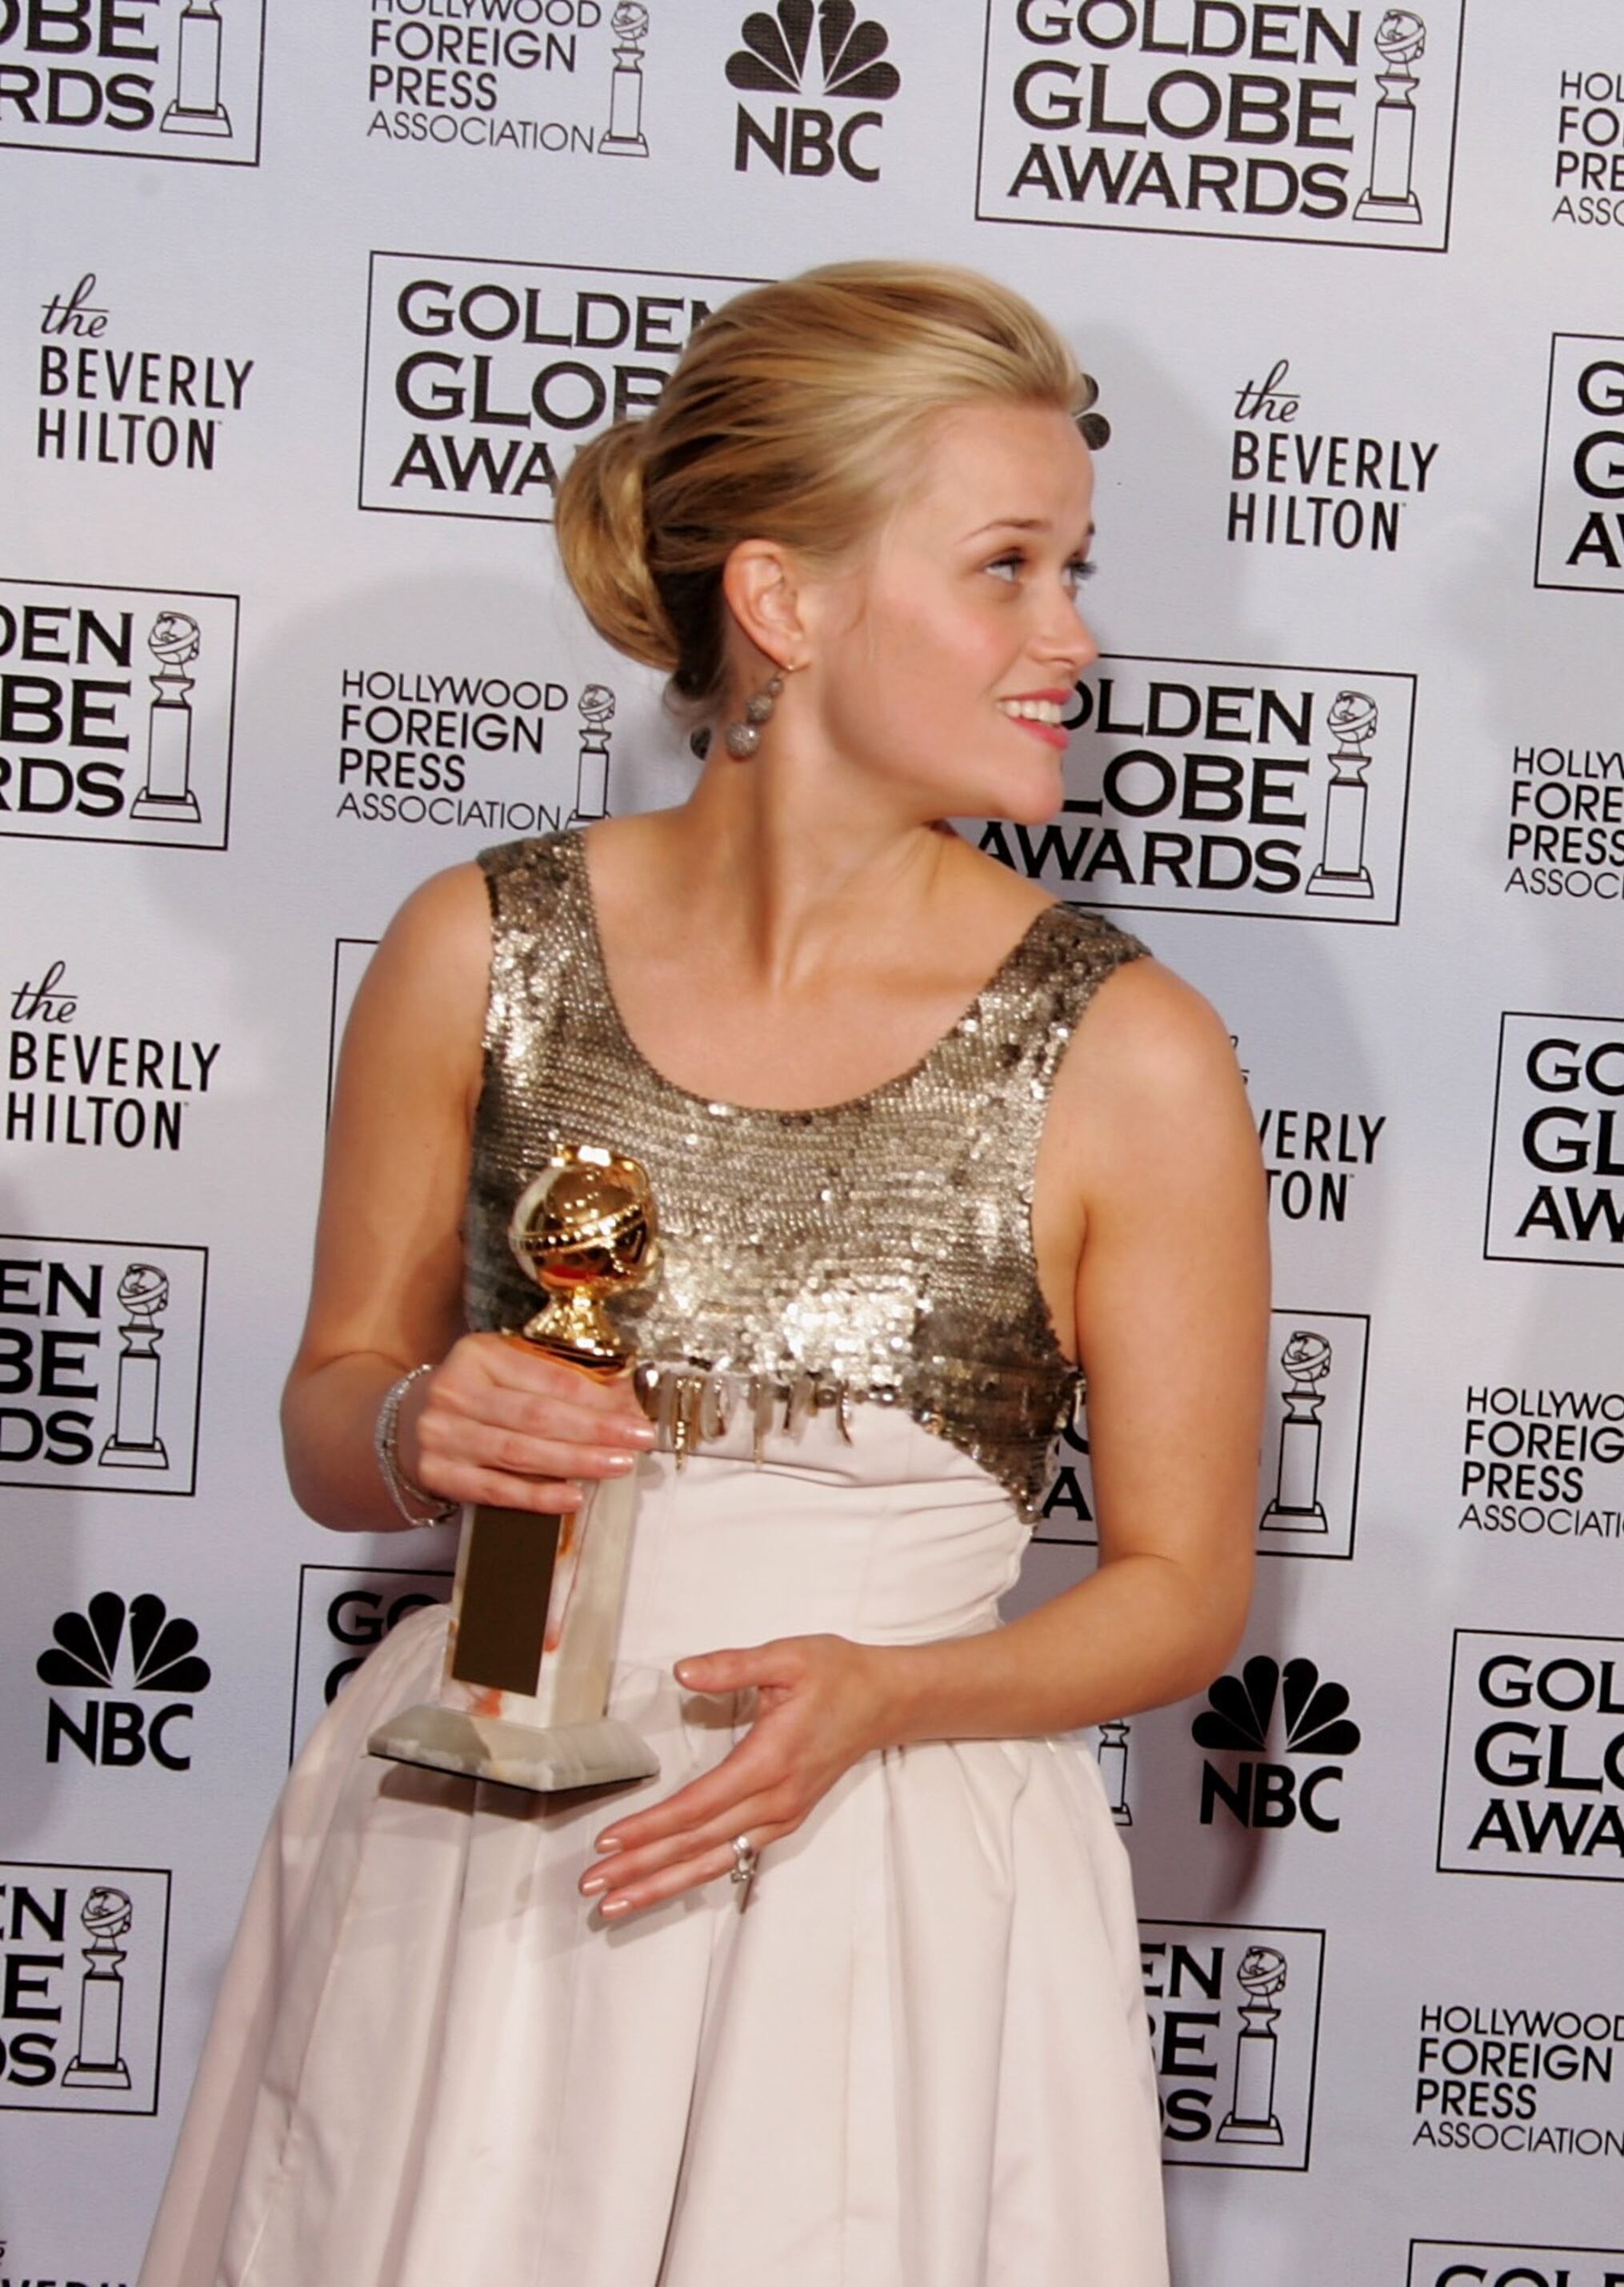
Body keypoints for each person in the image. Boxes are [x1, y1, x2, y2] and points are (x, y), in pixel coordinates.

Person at [139, 263, 1269, 2287]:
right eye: (1007, 569)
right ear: (786, 599)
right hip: (478, 1836)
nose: (1073, 640)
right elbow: (335, 1416)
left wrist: (888, 1700)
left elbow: (1186, 1594)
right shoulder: (474, 947)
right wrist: (419, 1420)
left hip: (883, 1871)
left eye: (1073, 568)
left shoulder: (1131, 1049)